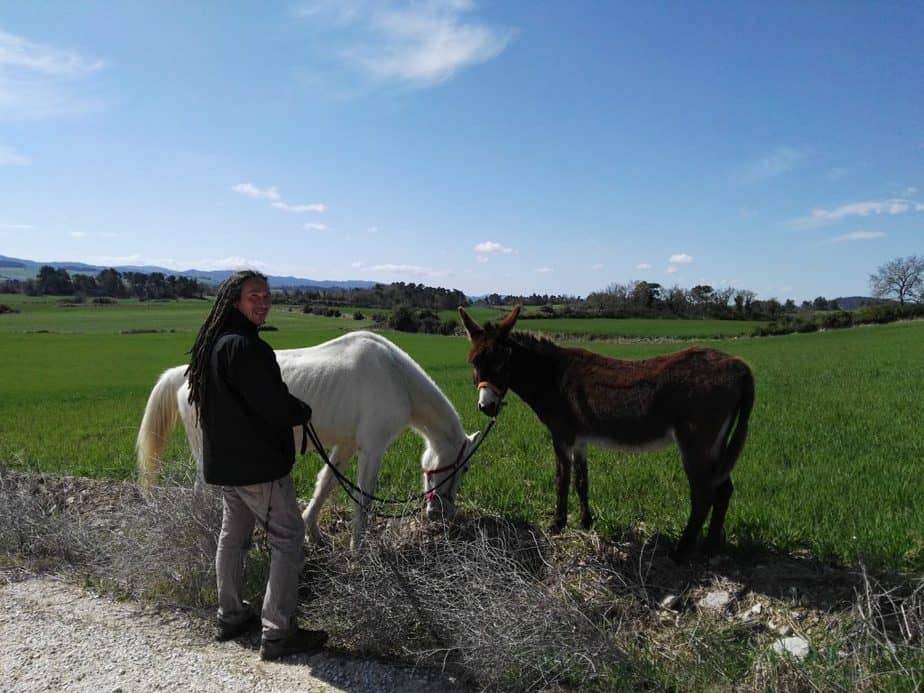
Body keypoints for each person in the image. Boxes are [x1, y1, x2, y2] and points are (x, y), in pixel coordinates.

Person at [185, 269, 327, 661]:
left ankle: (230, 616)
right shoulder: (248, 348)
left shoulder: (214, 344)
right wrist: (301, 410)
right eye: (254, 296)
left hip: (228, 467)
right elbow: (272, 405)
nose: (262, 302)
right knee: (289, 537)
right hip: (258, 468)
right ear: (235, 301)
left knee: (233, 537)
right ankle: (278, 632)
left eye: (266, 296)